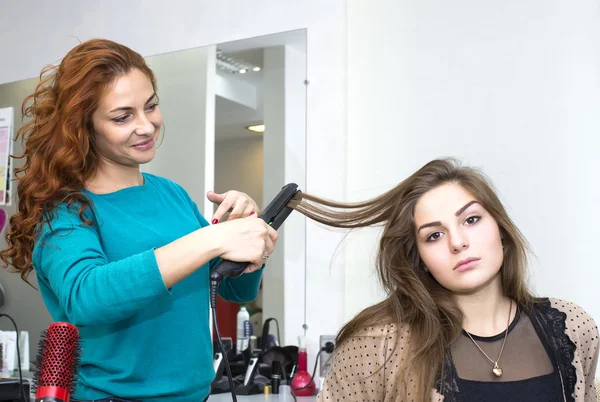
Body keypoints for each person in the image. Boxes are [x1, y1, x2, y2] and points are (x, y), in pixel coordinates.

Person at [0, 39, 278, 402]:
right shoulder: (66, 209)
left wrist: (246, 239)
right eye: (122, 116)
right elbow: (87, 297)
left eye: (151, 106)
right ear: (84, 125)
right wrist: (209, 240)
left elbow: (234, 290)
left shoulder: (171, 194)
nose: (146, 126)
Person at [287, 158, 599, 402]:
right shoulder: (373, 347)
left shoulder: (572, 327)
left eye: (471, 220)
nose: (458, 242)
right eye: (434, 235)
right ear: (418, 258)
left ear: (500, 228)